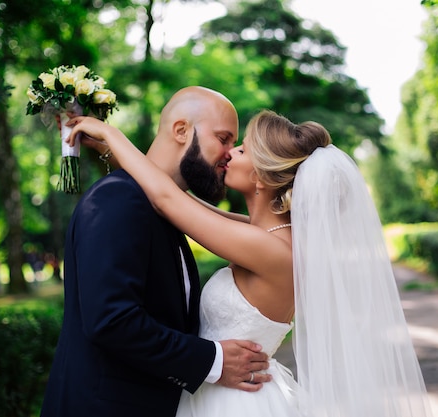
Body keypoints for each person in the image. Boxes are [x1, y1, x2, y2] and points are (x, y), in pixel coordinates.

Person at [66, 109, 434, 416]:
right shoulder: (273, 237)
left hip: (233, 401)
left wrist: (109, 131)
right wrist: (112, 152)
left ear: (260, 175)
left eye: (241, 149)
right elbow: (182, 200)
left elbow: (168, 200)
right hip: (220, 391)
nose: (230, 153)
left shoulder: (271, 249)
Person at [40, 87, 271, 417]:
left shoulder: (167, 208)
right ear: (181, 130)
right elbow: (112, 321)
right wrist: (214, 361)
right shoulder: (117, 200)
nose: (229, 153)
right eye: (223, 138)